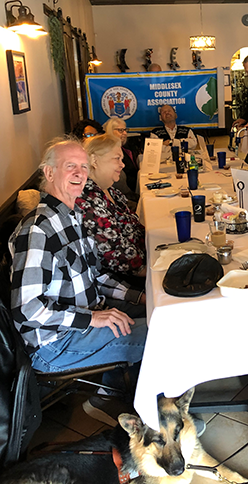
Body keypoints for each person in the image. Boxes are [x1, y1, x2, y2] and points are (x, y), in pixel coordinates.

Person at [9, 138, 147, 425]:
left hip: (84, 318)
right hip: (54, 346)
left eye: (84, 167)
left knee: (159, 312)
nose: (80, 173)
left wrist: (141, 297)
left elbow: (95, 276)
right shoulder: (38, 230)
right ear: (49, 173)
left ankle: (116, 393)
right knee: (160, 336)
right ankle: (146, 421)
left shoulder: (72, 216)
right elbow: (27, 309)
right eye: (70, 166)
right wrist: (92, 318)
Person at [76, 134, 146, 285]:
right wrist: (153, 271)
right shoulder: (89, 200)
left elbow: (135, 227)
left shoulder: (110, 191)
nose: (123, 165)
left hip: (141, 262)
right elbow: (116, 256)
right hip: (120, 282)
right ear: (94, 160)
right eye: (117, 159)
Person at [103, 117, 139, 201]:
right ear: (110, 131)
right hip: (123, 197)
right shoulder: (108, 151)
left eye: (125, 130)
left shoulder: (124, 148)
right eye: (120, 130)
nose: (125, 133)